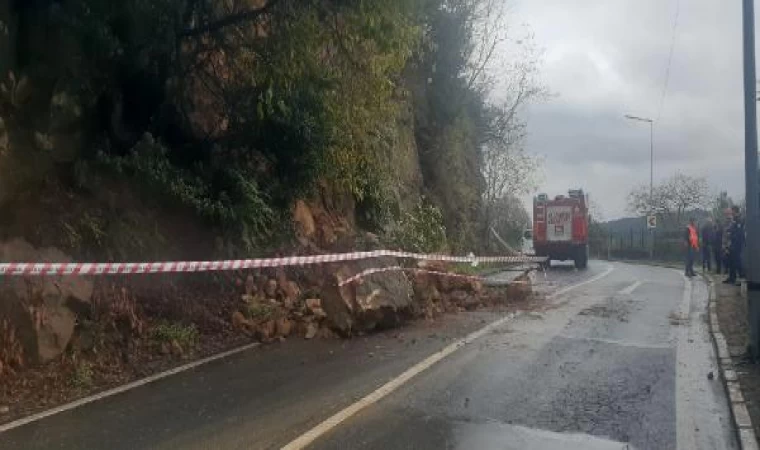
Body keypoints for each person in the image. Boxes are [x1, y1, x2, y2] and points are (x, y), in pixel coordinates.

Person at [724, 206, 745, 285]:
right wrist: (729, 231)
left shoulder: (739, 219)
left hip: (737, 244)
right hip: (733, 244)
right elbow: (733, 229)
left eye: (732, 211)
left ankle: (742, 278)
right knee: (731, 261)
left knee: (737, 261)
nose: (731, 213)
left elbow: (739, 233)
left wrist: (731, 234)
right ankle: (731, 278)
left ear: (735, 211)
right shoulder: (735, 220)